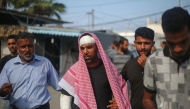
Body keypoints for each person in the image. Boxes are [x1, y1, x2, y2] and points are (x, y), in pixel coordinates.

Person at [58, 33, 131, 109]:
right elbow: (65, 97)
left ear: (97, 48)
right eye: (82, 48)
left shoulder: (109, 69)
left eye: (89, 47)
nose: (85, 52)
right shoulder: (75, 70)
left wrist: (118, 101)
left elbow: (122, 89)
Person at [143, 7, 190, 109]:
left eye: (183, 42)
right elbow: (147, 99)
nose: (177, 49)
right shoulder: (153, 61)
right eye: (171, 43)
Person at [0, 32, 62, 109]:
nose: (27, 49)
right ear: (17, 48)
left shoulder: (45, 63)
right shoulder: (9, 65)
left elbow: (58, 84)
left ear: (34, 46)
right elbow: (1, 88)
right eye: (23, 46)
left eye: (30, 46)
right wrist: (2, 91)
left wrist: (76, 87)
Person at [120, 27, 155, 109]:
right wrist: (118, 100)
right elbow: (118, 84)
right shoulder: (129, 64)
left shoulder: (160, 63)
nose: (142, 47)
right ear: (135, 43)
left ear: (153, 44)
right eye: (139, 43)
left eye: (146, 43)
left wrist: (148, 67)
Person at [0, 35, 18, 109]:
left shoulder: (23, 59)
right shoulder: (4, 60)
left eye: (13, 43)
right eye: (9, 44)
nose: (11, 46)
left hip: (22, 97)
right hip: (7, 98)